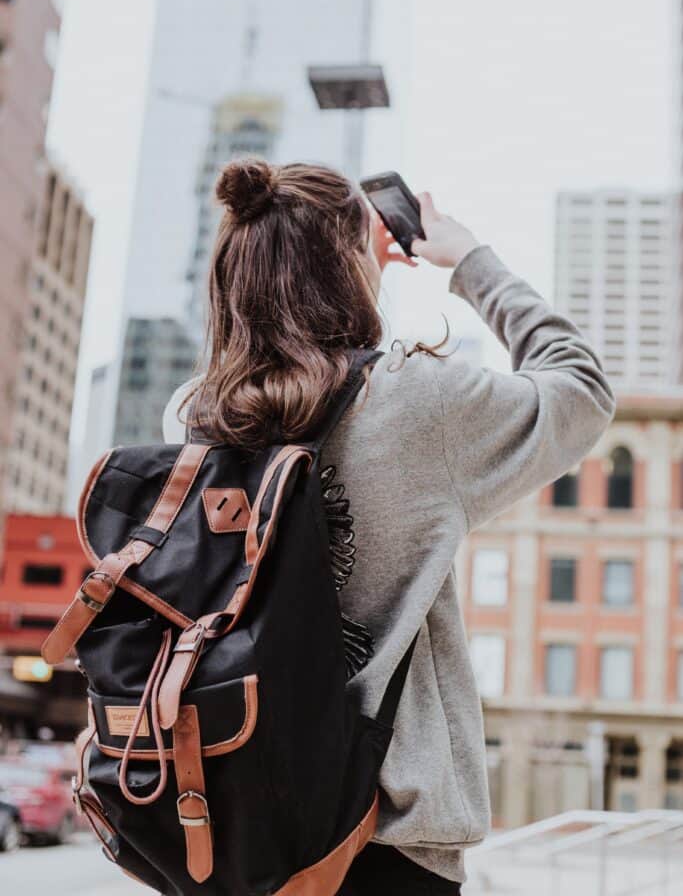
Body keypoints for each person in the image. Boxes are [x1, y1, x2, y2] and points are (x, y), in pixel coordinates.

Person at [163, 159, 615, 895]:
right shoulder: (419, 405)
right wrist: (466, 260)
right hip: (388, 837)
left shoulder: (193, 416)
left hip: (229, 813)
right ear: (347, 262)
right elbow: (580, 387)